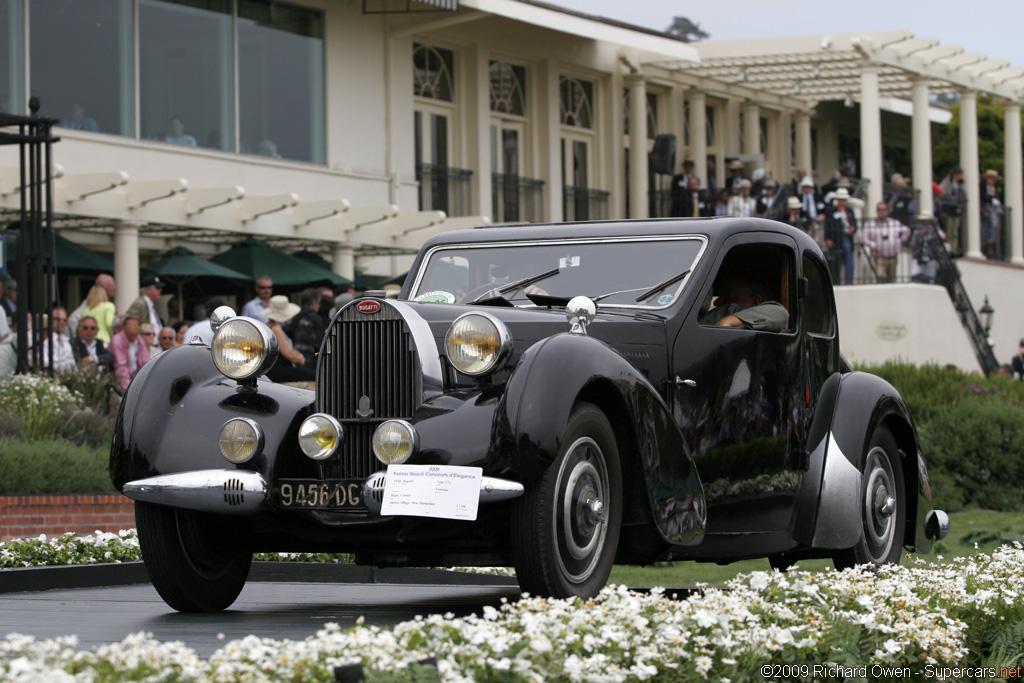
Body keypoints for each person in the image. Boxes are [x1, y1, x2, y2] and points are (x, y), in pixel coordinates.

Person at [699, 272, 788, 332]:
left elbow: (780, 312)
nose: (716, 302)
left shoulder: (733, 313)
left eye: (728, 296)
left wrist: (728, 321)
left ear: (755, 301)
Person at [263, 295, 314, 383]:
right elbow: (288, 354)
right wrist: (300, 358)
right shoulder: (276, 329)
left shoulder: (268, 325)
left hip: (272, 369)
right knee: (314, 375)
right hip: (279, 370)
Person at [860, 201, 911, 284]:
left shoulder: (894, 223)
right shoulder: (870, 224)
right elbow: (863, 238)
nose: (882, 212)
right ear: (876, 211)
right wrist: (873, 245)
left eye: (884, 210)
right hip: (879, 257)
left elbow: (907, 231)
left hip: (892, 256)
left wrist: (898, 242)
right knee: (880, 276)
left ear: (887, 211)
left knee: (891, 278)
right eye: (879, 210)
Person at [282, 289, 327, 371]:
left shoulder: (294, 317)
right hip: (311, 363)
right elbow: (321, 344)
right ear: (314, 302)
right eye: (319, 302)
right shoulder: (315, 319)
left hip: (294, 361)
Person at [824, 188, 857, 285]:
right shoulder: (831, 211)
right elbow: (827, 226)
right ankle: (836, 281)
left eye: (844, 200)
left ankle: (849, 281)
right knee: (837, 260)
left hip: (847, 238)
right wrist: (828, 239)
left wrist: (853, 229)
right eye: (841, 199)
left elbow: (854, 224)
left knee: (849, 258)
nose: (843, 202)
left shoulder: (850, 211)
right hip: (836, 239)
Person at [110, 314, 150, 390]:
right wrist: (129, 390)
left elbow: (146, 363)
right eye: (129, 328)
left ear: (139, 330)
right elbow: (121, 368)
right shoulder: (117, 340)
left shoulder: (139, 340)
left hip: (135, 381)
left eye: (135, 329)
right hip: (119, 385)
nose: (132, 332)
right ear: (124, 328)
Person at [69, 273, 115, 339]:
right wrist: (77, 340)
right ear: (103, 287)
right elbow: (72, 320)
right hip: (103, 341)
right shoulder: (90, 303)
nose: (114, 287)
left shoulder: (105, 305)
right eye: (111, 285)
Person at [39, 308, 76, 372]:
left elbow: (73, 365)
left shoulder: (67, 341)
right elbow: (45, 365)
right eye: (58, 319)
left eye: (64, 320)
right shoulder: (44, 340)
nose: (62, 322)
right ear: (49, 320)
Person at [938, 166, 965, 253]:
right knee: (949, 230)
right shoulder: (948, 183)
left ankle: (954, 247)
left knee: (955, 231)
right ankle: (949, 247)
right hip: (948, 210)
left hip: (956, 210)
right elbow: (942, 191)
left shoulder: (960, 186)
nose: (960, 177)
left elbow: (963, 196)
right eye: (958, 175)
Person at [981, 169, 1003, 258]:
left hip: (990, 214)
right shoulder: (983, 186)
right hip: (985, 212)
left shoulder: (992, 188)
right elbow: (984, 197)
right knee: (985, 230)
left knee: (991, 231)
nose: (993, 181)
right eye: (992, 179)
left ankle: (991, 249)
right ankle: (987, 249)